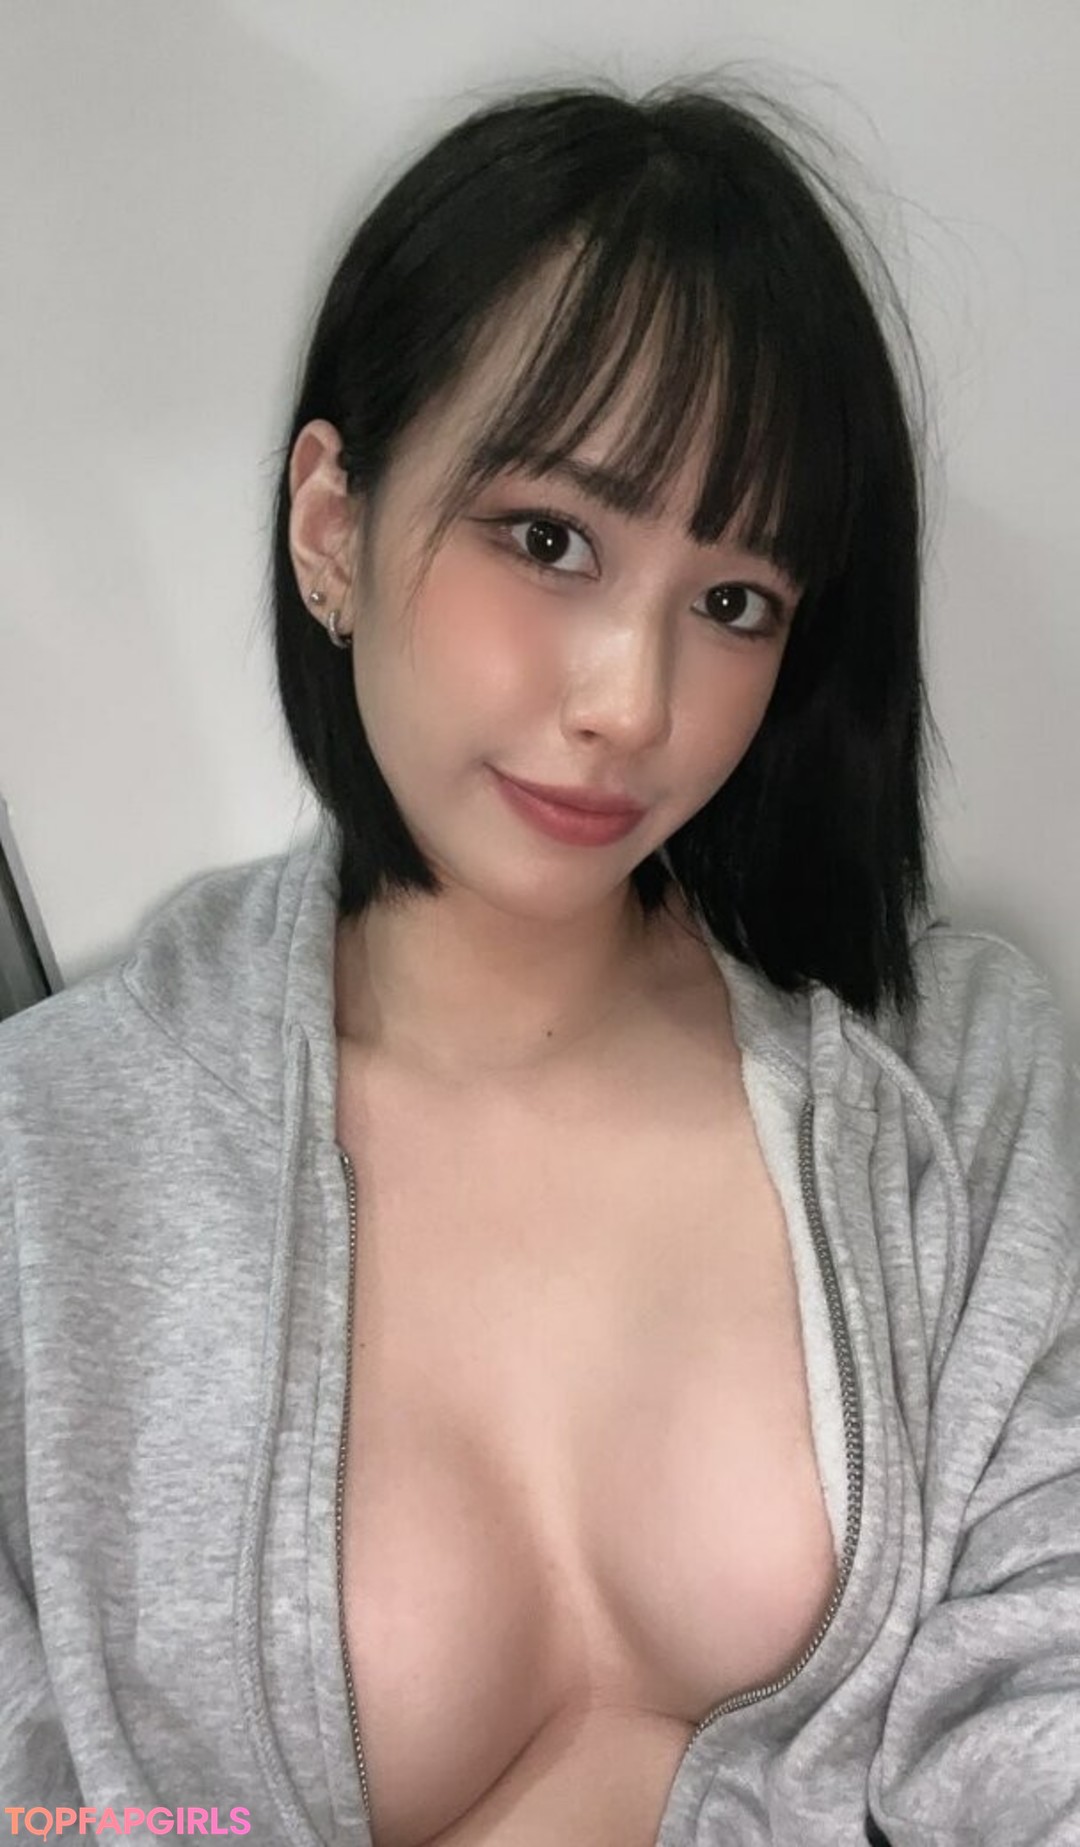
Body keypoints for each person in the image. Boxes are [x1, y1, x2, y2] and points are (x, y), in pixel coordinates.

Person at [1, 74, 1078, 1847]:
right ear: (332, 527)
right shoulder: (51, 1167)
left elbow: (1047, 1668)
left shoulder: (950, 1076)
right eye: (550, 538)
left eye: (732, 601)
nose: (631, 705)